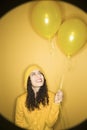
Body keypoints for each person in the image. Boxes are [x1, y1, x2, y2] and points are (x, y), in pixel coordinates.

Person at [15, 64, 63, 130]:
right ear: (28, 80)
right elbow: (19, 123)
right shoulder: (20, 100)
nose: (39, 76)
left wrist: (56, 103)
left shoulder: (52, 97)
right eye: (33, 74)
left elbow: (50, 123)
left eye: (40, 73)